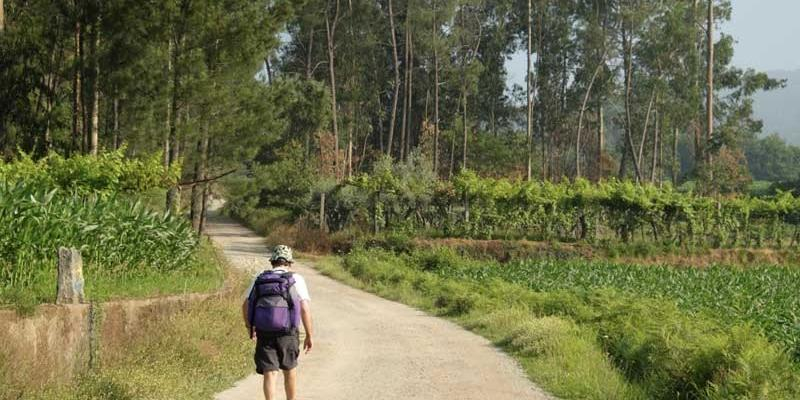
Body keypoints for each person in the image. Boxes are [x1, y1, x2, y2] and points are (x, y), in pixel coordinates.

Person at [242, 245, 313, 400]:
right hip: (288, 332)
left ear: (272, 261)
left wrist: (250, 326)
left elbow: (246, 305)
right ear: (289, 262)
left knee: (270, 371)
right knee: (289, 369)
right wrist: (309, 334)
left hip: (264, 331)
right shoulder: (296, 279)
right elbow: (305, 308)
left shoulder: (260, 278)